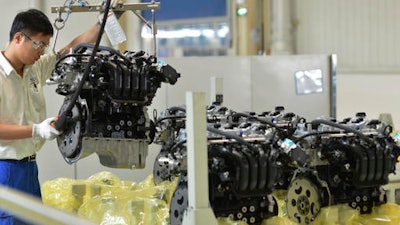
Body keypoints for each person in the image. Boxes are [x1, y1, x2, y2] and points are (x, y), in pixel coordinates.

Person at [0, 2, 121, 224]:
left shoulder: (34, 68)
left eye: (45, 46)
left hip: (29, 168)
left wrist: (105, 21)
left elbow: (72, 49)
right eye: (39, 44)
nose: (42, 51)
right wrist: (37, 129)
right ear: (18, 38)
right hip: (5, 170)